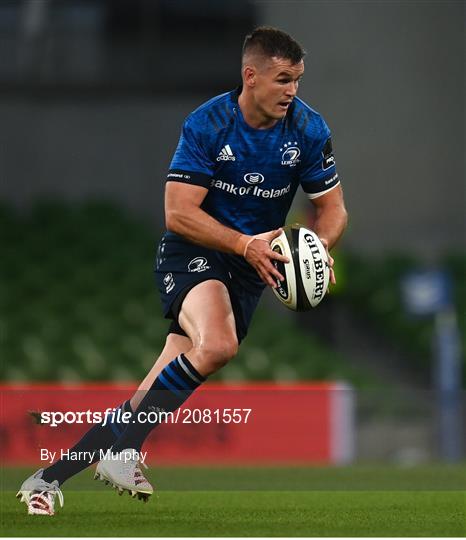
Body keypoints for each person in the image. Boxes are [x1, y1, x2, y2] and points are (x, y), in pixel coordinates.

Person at [17, 26, 347, 515]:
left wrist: (314, 248)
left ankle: (47, 478)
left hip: (251, 270)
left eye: (297, 80)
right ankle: (125, 452)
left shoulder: (308, 128)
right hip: (195, 252)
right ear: (250, 76)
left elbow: (334, 209)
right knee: (218, 345)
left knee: (147, 396)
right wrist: (245, 243)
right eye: (282, 80)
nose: (292, 91)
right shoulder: (208, 123)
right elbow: (179, 213)